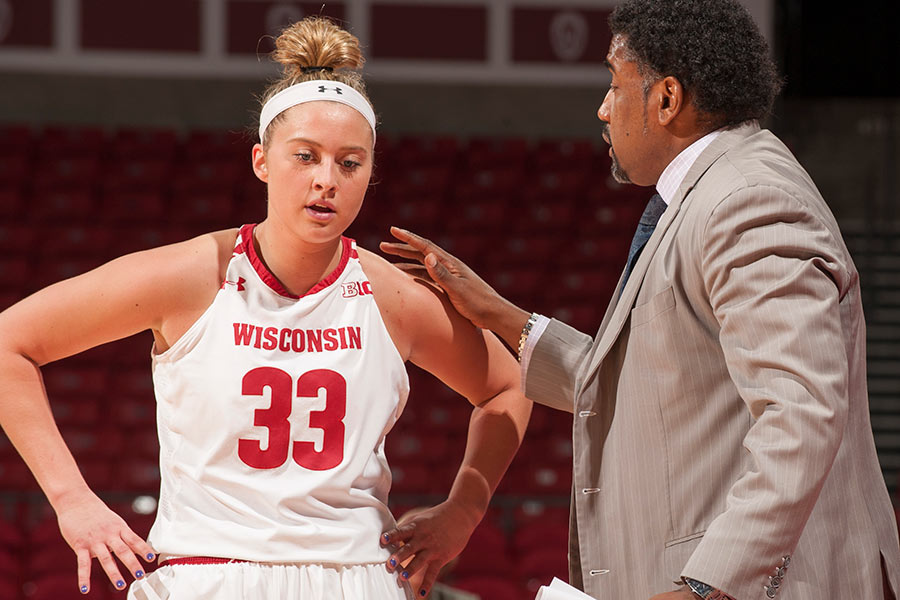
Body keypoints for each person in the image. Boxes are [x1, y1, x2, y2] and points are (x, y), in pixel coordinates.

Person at [379, 1, 900, 598]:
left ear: (667, 99)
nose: (603, 107)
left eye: (613, 81)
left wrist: (708, 586)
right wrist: (500, 315)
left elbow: (802, 415)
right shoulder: (716, 193)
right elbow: (650, 386)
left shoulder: (748, 201)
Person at [0, 17, 530, 600]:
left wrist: (463, 512)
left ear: (370, 173)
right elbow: (10, 344)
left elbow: (510, 387)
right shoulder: (190, 275)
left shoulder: (391, 297)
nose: (326, 180)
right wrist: (71, 499)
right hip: (210, 571)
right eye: (305, 156)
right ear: (261, 160)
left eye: (349, 163)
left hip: (356, 577)